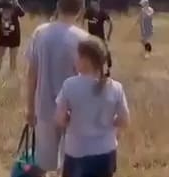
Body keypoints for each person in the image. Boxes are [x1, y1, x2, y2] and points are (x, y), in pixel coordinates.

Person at [25, 0, 89, 175]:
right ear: (80, 9)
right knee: (69, 163)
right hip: (72, 111)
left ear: (58, 5)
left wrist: (29, 107)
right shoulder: (83, 39)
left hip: (43, 107)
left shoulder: (40, 33)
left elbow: (32, 73)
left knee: (42, 162)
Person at [55, 37, 130, 177]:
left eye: (77, 57)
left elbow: (60, 119)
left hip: (77, 151)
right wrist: (110, 124)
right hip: (106, 151)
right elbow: (124, 120)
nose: (75, 61)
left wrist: (69, 119)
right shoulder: (116, 87)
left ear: (86, 60)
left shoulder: (70, 85)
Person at [83, 0, 113, 76]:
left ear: (97, 3)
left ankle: (108, 68)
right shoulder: (89, 12)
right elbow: (82, 20)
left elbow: (110, 23)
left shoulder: (102, 13)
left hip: (100, 37)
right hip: (91, 37)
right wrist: (83, 31)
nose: (92, 4)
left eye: (93, 2)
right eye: (91, 2)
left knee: (105, 51)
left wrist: (109, 35)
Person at [0, 0, 25, 74]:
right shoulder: (15, 8)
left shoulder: (1, 8)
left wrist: (1, 0)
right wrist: (17, 2)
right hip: (14, 35)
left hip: (3, 34)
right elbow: (22, 14)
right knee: (13, 57)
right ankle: (12, 73)